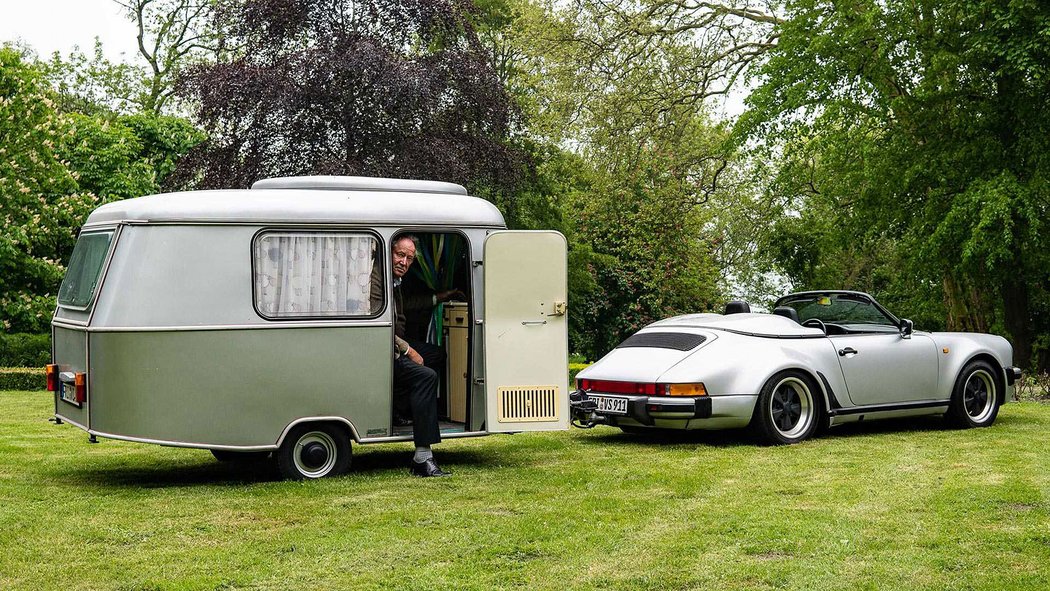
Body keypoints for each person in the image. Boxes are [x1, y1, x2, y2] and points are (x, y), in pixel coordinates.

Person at [370, 235, 458, 477]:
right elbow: (378, 323)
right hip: (383, 350)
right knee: (426, 376)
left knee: (437, 355)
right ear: (388, 252)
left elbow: (407, 306)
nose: (404, 262)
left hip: (395, 345)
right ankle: (423, 457)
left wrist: (440, 297)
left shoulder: (394, 280)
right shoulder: (376, 279)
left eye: (409, 258)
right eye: (400, 255)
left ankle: (402, 408)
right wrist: (408, 350)